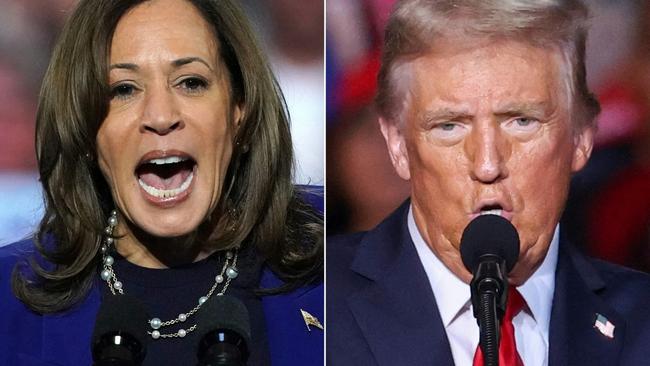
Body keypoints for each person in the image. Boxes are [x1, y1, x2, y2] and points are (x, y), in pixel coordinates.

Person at [327, 0, 650, 365]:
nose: (487, 164)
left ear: (581, 138)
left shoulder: (643, 325)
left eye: (521, 121)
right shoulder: (316, 302)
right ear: (398, 146)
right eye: (449, 126)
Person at [0, 0, 323, 365]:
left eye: (190, 82)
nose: (160, 116)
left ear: (240, 114)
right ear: (85, 129)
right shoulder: (7, 299)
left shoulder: (335, 260)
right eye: (124, 89)